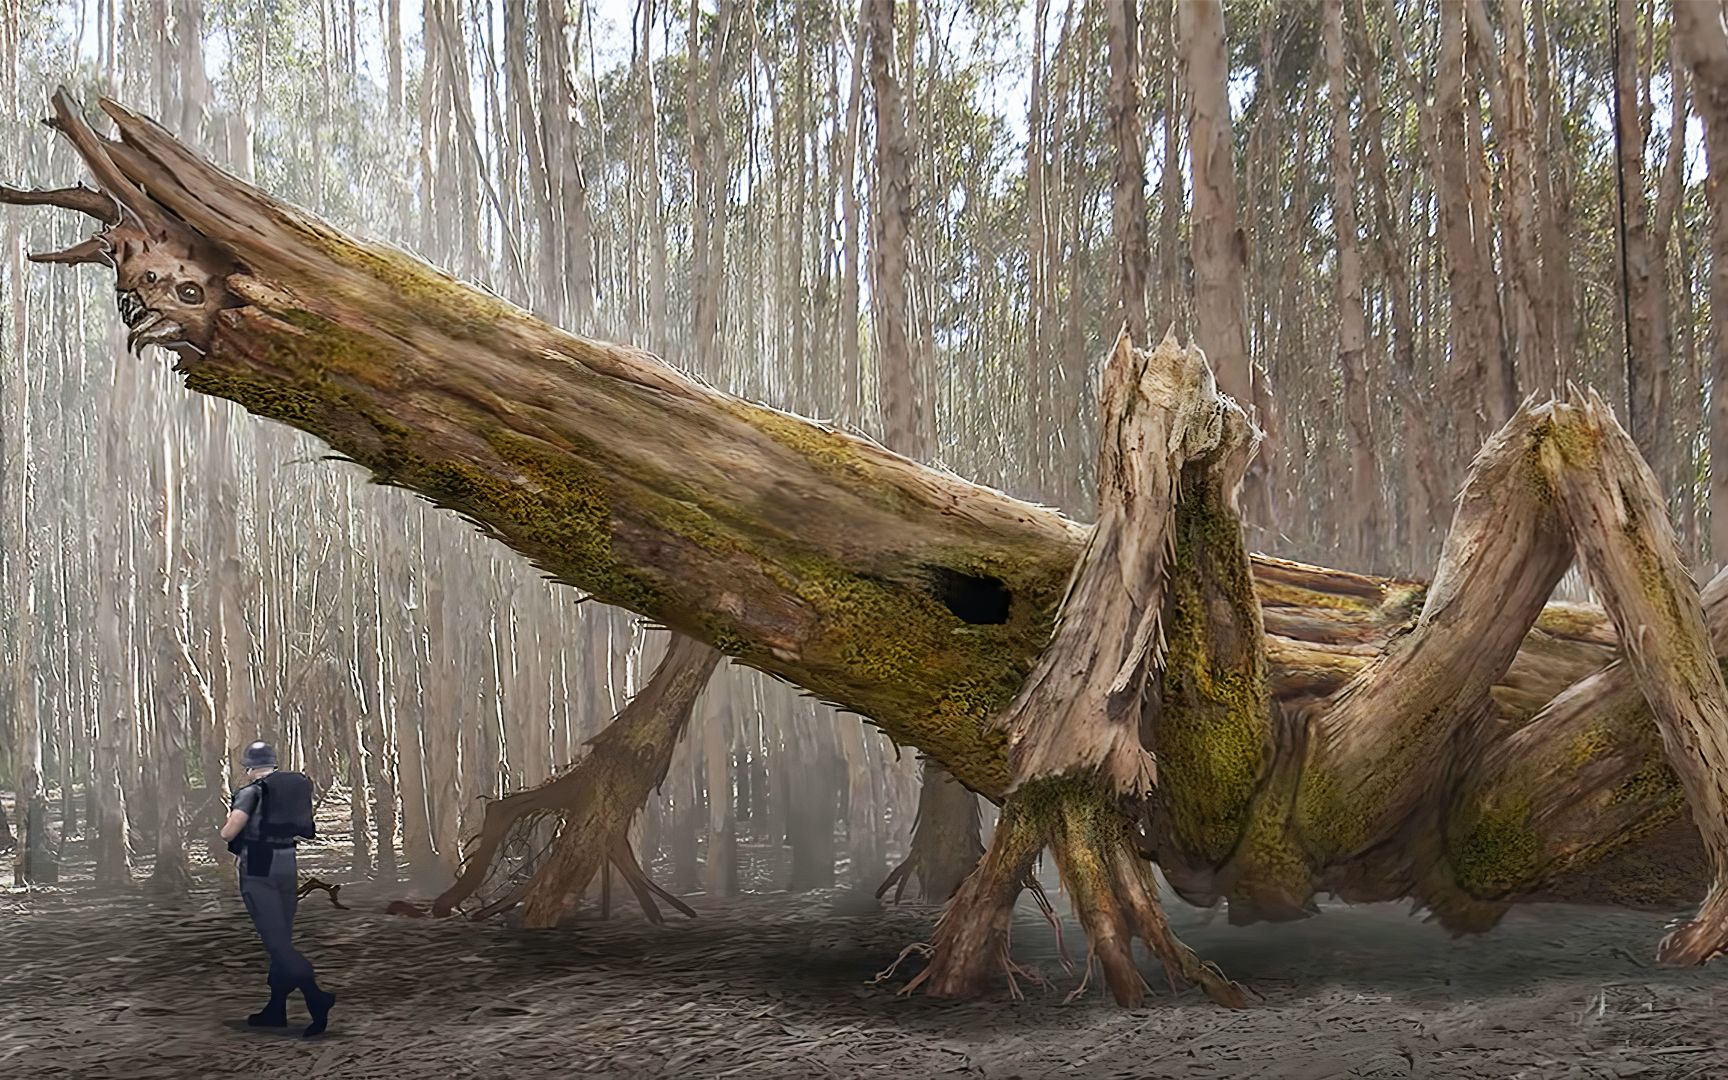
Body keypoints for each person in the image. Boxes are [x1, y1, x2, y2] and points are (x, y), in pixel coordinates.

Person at [219, 741, 337, 1037]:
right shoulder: (288, 788)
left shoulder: (251, 792)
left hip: (259, 865)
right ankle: (276, 1010)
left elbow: (230, 831)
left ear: (248, 767)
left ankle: (315, 996)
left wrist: (225, 825)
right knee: (281, 935)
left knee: (277, 943)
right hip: (287, 861)